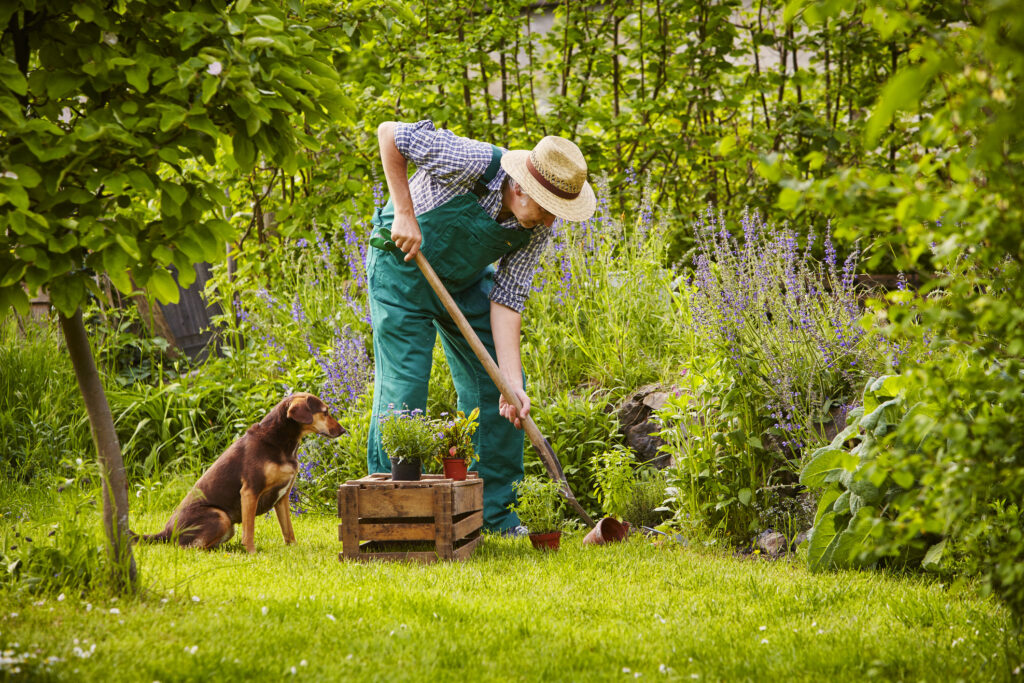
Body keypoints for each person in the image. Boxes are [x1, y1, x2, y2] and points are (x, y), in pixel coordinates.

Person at [365, 120, 595, 533]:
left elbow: (508, 298)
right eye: (545, 209)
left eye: (555, 214)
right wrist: (403, 213)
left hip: (463, 280)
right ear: (521, 188)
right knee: (405, 392)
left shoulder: (535, 227)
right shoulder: (473, 161)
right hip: (401, 268)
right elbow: (389, 134)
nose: (547, 223)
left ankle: (492, 513)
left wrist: (510, 381)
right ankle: (392, 510)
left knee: (504, 391)